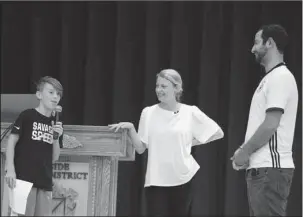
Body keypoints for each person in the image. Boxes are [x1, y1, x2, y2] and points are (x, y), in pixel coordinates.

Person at [109, 69, 224, 216]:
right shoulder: (148, 113)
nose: (159, 90)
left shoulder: (190, 112)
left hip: (183, 179)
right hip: (156, 181)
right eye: (157, 86)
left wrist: (188, 142)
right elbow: (140, 148)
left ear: (176, 89)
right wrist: (131, 129)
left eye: (164, 86)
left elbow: (217, 133)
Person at [231, 24, 298, 216]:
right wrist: (245, 154)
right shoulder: (270, 79)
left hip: (270, 170)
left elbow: (271, 124)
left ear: (270, 43)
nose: (252, 48)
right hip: (263, 170)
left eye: (256, 42)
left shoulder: (280, 77)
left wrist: (245, 151)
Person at [5, 76, 64, 216]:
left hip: (44, 182)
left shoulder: (56, 124)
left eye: (58, 94)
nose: (55, 96)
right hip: (23, 180)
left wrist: (56, 137)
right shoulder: (27, 116)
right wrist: (10, 169)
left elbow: (54, 158)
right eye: (51, 92)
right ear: (39, 95)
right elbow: (11, 141)